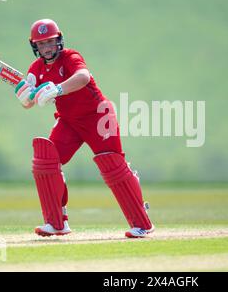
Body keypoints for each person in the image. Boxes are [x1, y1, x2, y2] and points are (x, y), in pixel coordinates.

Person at [15, 19, 154, 238]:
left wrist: (57, 89)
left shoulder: (71, 57)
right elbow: (29, 100)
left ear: (59, 40)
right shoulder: (37, 69)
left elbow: (82, 77)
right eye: (41, 44)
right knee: (46, 161)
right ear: (35, 47)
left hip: (98, 116)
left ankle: (141, 223)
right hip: (69, 121)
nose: (47, 47)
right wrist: (25, 97)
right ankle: (56, 222)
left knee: (112, 165)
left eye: (50, 42)